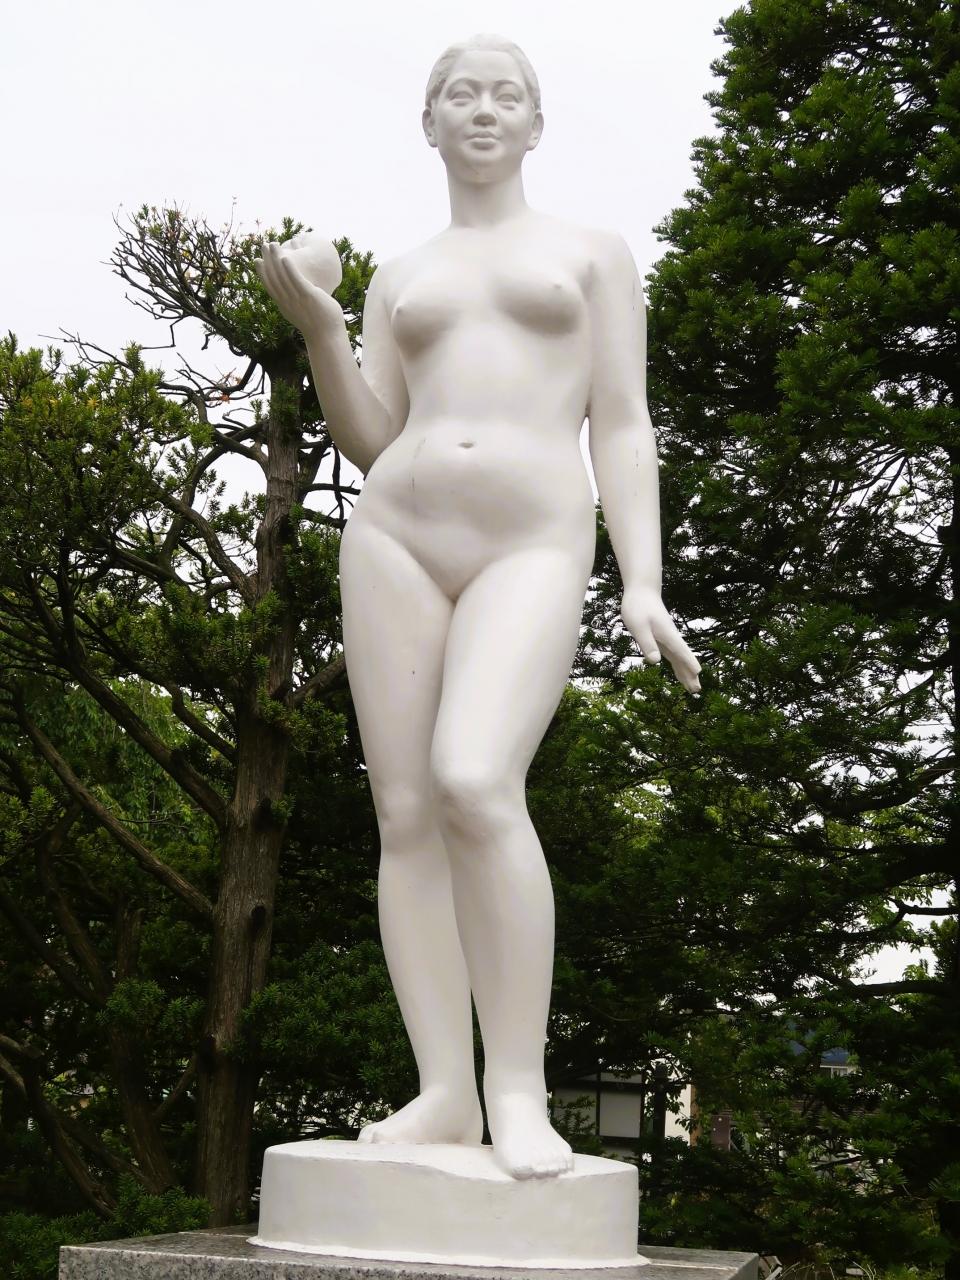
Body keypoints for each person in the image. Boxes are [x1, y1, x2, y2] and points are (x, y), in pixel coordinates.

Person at [255, 33, 701, 1181]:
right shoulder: (402, 274)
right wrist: (323, 328)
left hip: (531, 536)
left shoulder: (592, 254)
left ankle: (516, 1084)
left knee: (473, 778)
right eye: (462, 93)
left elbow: (624, 421)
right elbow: (373, 437)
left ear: (537, 124)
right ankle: (446, 1090)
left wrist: (643, 577)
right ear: (430, 121)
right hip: (395, 533)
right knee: (406, 811)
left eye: (508, 94)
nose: (485, 109)